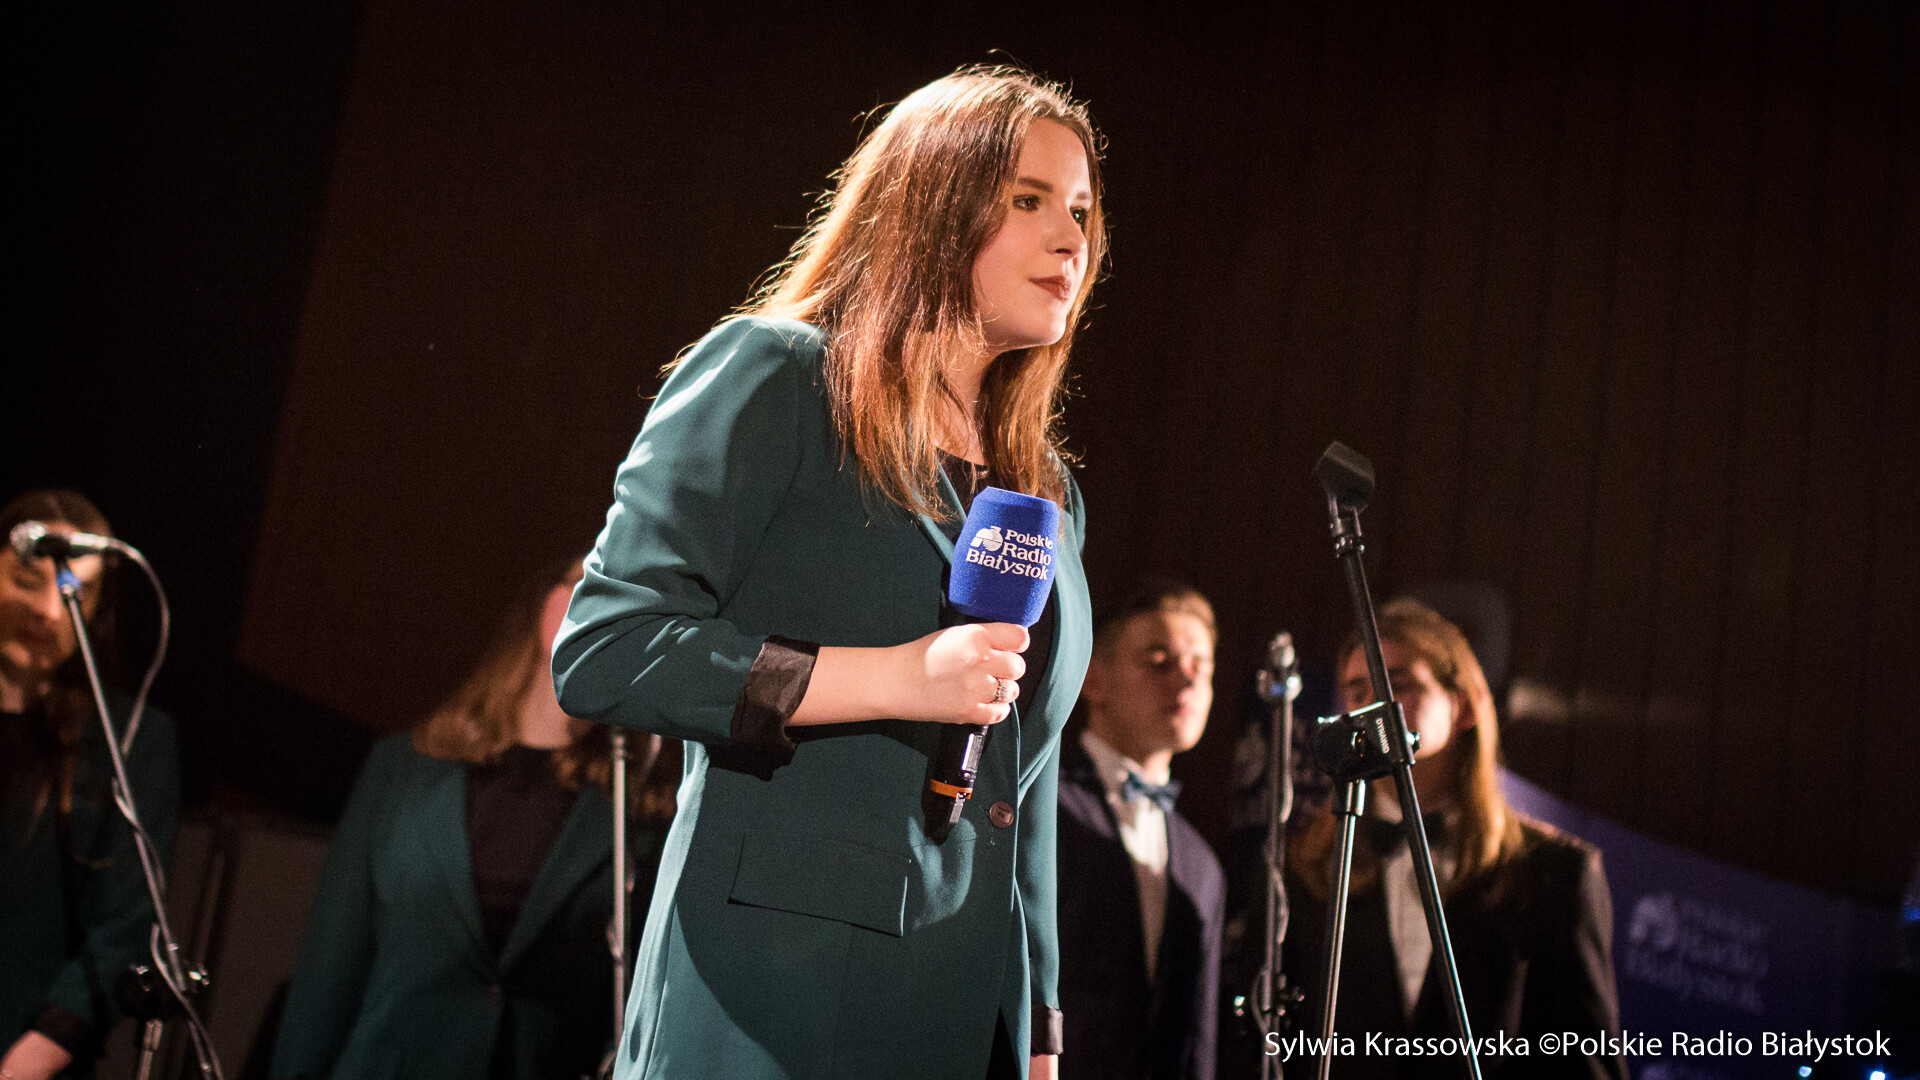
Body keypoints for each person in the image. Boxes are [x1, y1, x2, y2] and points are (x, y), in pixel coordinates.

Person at [554, 66, 1104, 1080]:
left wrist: (1038, 1030)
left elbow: (1019, 789)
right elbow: (605, 650)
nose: (1072, 240)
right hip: (772, 997)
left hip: (957, 1020)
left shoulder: (1047, 491)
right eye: (1029, 200)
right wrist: (895, 677)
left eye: (1079, 209)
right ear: (933, 206)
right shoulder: (778, 379)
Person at [272, 557, 671, 1080]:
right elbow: (330, 968)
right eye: (588, 582)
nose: (604, 607)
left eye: (627, 603)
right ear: (544, 604)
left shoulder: (633, 813)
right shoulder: (403, 769)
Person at [1284, 598, 1626, 1080]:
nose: (1372, 708)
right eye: (1356, 692)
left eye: (1397, 685)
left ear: (1463, 706)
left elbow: (1586, 1062)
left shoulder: (1556, 875)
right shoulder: (1303, 869)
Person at [0, 489, 180, 1080]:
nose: (49, 612)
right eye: (27, 580)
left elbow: (124, 929)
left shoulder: (130, 739)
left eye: (75, 593)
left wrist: (21, 1068)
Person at [1056, 580, 1225, 1080]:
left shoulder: (1202, 863)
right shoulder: (1040, 805)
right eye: (1159, 660)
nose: (1186, 680)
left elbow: (1197, 1037)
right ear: (1094, 679)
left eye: (1201, 666)